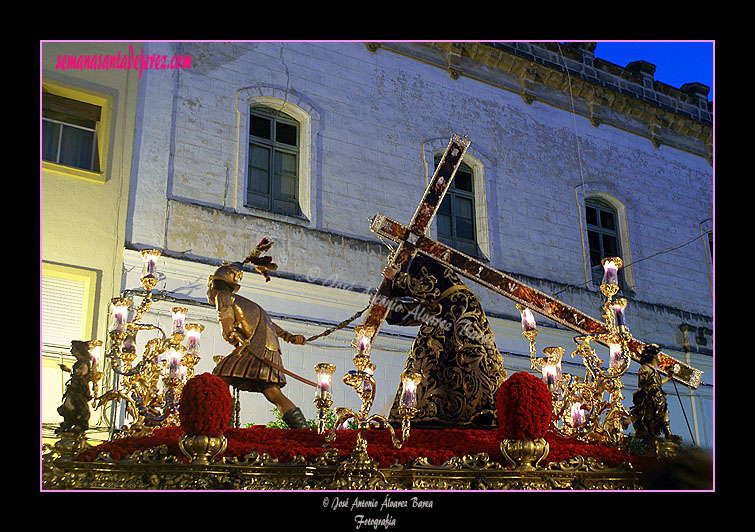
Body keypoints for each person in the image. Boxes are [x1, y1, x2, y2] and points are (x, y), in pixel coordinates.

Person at [381, 254, 507, 427]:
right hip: (448, 329)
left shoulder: (456, 295)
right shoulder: (438, 305)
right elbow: (404, 313)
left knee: (472, 362)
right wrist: (386, 294)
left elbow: (428, 286)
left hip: (463, 325)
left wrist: (397, 278)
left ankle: (480, 411)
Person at [207, 260, 309, 429]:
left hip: (255, 348)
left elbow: (226, 326)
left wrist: (230, 335)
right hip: (269, 350)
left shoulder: (222, 297)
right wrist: (288, 336)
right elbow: (269, 323)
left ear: (213, 284)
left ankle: (224, 427)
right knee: (272, 391)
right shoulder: (249, 304)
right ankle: (303, 430)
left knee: (219, 378)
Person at [630, 343, 680, 442]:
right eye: (659, 355)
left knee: (664, 411)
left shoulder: (654, 370)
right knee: (650, 413)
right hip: (649, 395)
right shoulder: (645, 368)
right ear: (653, 356)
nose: (661, 357)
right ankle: (650, 432)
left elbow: (659, 383)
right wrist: (648, 390)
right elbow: (643, 383)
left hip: (658, 394)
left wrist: (668, 377)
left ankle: (667, 433)